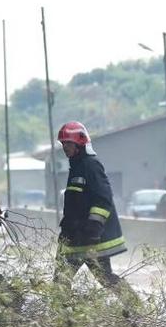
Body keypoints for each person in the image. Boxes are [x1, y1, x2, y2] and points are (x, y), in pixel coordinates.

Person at [55, 121, 133, 297]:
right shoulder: (76, 167)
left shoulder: (91, 165)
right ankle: (63, 320)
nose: (64, 147)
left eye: (68, 143)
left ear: (79, 142)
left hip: (90, 239)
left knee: (104, 278)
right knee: (60, 282)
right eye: (63, 144)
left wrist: (94, 229)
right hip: (73, 237)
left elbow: (103, 199)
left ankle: (136, 310)